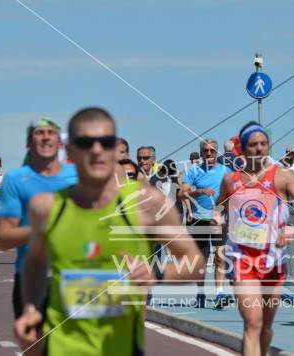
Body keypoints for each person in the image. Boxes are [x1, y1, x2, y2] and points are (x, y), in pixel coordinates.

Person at [13, 107, 204, 356]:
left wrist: (155, 273)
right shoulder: (46, 208)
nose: (96, 150)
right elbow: (35, 262)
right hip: (61, 348)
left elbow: (195, 263)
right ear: (69, 151)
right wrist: (30, 308)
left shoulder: (147, 203)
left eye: (104, 142)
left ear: (115, 149)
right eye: (85, 142)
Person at [216, 121, 294, 356]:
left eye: (263, 144)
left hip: (273, 259)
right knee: (253, 322)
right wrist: (216, 216)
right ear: (242, 148)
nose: (259, 149)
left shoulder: (282, 177)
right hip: (242, 258)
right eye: (253, 145)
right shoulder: (231, 180)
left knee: (265, 328)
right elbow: (219, 205)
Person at [0, 118, 78, 319]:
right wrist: (43, 229)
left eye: (51, 133)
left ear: (60, 144)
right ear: (28, 144)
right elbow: (5, 238)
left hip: (75, 277)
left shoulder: (79, 176)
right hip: (30, 277)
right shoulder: (14, 179)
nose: (45, 137)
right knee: (33, 345)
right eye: (38, 133)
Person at [182, 139, 232, 309]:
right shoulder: (194, 171)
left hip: (217, 219)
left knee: (220, 256)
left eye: (212, 151)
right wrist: (200, 191)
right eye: (206, 151)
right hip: (199, 219)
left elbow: (232, 194)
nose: (209, 154)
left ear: (217, 152)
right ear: (202, 153)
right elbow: (182, 193)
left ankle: (219, 293)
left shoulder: (226, 171)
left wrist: (222, 210)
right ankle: (201, 293)